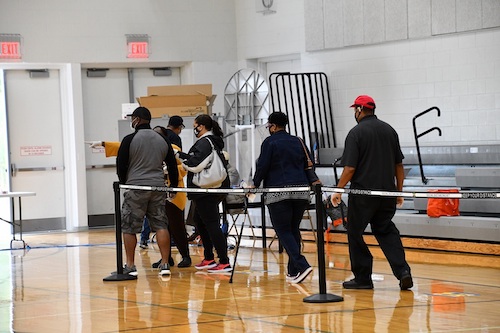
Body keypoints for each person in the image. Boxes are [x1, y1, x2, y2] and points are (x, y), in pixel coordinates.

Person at [330, 95, 413, 290]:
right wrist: (398, 192)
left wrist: (338, 190)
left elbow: (350, 168)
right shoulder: (389, 130)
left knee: (355, 232)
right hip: (386, 195)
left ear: (359, 110)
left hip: (363, 195)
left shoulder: (356, 133)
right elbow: (399, 165)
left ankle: (363, 278)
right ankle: (403, 272)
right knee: (386, 231)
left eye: (354, 110)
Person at [116, 106, 179, 277]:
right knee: (160, 225)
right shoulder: (162, 140)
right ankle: (165, 264)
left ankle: (130, 265)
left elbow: (121, 164)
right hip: (158, 187)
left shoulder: (130, 139)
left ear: (136, 119)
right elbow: (172, 165)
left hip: (136, 187)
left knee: (129, 227)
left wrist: (124, 182)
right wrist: (172, 185)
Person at [252, 111, 314, 284]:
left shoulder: (269, 142)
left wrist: (255, 184)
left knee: (283, 230)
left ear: (272, 126)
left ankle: (302, 265)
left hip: (278, 192)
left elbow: (262, 166)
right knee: (293, 229)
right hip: (301, 191)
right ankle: (293, 272)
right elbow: (309, 164)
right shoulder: (298, 141)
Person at [178, 114, 231, 273]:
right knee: (199, 221)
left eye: (195, 125)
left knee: (211, 224)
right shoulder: (212, 141)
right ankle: (209, 257)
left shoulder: (204, 142)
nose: (194, 129)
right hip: (210, 189)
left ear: (201, 126)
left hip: (206, 190)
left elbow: (195, 164)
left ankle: (224, 261)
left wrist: (179, 157)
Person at [151, 125, 191, 268]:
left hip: (174, 193)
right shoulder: (151, 150)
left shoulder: (174, 148)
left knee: (177, 226)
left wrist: (170, 170)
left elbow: (185, 167)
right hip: (158, 194)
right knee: (162, 226)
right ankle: (166, 258)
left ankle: (186, 256)